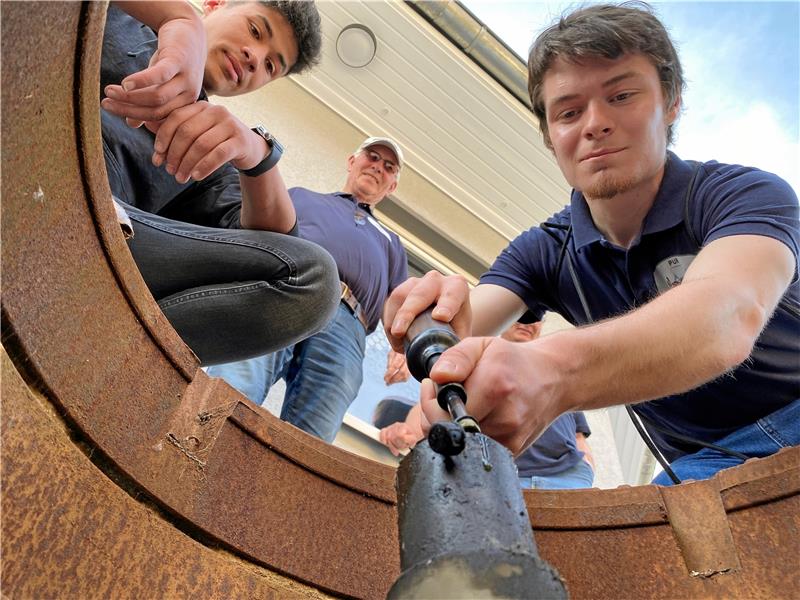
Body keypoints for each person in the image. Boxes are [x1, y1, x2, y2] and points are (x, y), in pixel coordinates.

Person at [383, 2, 799, 486]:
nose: (594, 123)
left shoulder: (742, 194)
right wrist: (435, 323)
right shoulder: (543, 251)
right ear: (549, 136)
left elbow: (728, 315)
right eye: (569, 111)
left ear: (671, 102)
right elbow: (467, 322)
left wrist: (553, 371)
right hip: (700, 467)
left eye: (621, 95)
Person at [100, 0, 340, 366]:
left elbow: (278, 250)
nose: (254, 58)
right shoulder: (122, 19)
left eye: (270, 66)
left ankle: (103, 366)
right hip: (31, 142)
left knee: (315, 281)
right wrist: (177, 18)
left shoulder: (209, 153)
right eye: (256, 30)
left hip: (103, 234)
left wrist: (258, 155)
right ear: (215, 5)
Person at [207, 138, 409, 442]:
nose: (378, 167)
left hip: (347, 325)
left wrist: (403, 346)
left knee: (311, 441)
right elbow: (259, 232)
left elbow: (399, 299)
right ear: (352, 161)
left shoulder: (392, 242)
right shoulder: (302, 196)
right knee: (236, 384)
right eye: (372, 157)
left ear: (391, 187)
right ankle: (194, 450)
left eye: (388, 167)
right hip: (286, 290)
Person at [378, 320, 595, 490]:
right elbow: (438, 402)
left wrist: (588, 468)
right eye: (522, 315)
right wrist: (406, 432)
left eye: (536, 317)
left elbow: (578, 437)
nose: (528, 322)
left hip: (568, 478)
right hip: (503, 479)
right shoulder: (479, 362)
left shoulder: (554, 371)